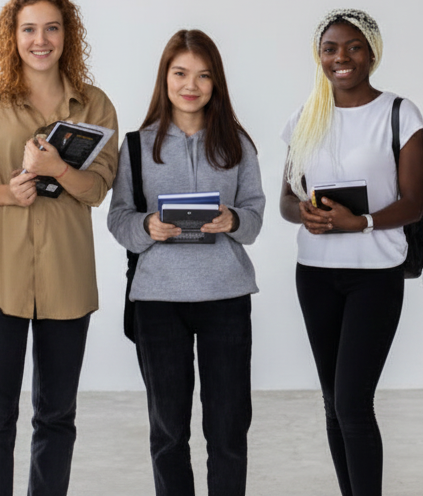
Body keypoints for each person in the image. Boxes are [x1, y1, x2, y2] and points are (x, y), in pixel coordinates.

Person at [0, 0, 118, 496]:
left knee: (57, 415)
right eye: (29, 29)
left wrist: (57, 168)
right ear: (12, 36)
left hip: (67, 279)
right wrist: (7, 193)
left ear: (68, 34)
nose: (41, 40)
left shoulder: (95, 105)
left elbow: (97, 190)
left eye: (52, 28)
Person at [108, 29, 265, 496]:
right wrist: (147, 228)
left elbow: (255, 220)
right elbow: (118, 219)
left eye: (203, 75)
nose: (190, 85)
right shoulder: (136, 146)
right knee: (169, 432)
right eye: (180, 73)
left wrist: (233, 219)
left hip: (226, 297)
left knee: (229, 430)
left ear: (216, 82)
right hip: (158, 301)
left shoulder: (238, 144)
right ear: (165, 78)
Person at [278, 8, 423, 496]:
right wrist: (309, 215)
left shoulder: (400, 113)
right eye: (330, 49)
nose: (341, 58)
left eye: (354, 47)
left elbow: (412, 203)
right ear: (319, 57)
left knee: (353, 403)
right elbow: (285, 200)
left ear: (372, 53)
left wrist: (358, 222)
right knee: (332, 403)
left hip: (375, 274)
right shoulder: (305, 117)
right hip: (316, 273)